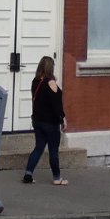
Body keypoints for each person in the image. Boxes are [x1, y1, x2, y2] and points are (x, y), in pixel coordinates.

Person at [22, 54, 68, 186]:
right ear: (51, 68)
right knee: (53, 150)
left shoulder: (35, 81)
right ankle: (57, 177)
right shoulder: (51, 83)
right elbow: (56, 105)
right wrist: (62, 118)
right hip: (50, 123)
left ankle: (28, 174)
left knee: (38, 148)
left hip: (37, 121)